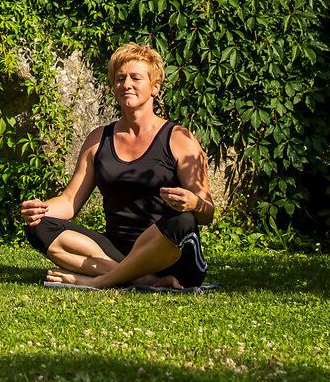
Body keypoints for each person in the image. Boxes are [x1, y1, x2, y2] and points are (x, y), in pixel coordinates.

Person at [20, 42, 213, 290]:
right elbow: (69, 202)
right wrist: (40, 209)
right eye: (120, 78)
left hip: (169, 253)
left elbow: (207, 213)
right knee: (39, 226)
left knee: (183, 220)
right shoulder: (98, 139)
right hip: (115, 251)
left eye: (136, 78)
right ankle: (143, 280)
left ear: (155, 88)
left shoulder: (179, 139)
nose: (127, 84)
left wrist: (194, 202)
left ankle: (102, 281)